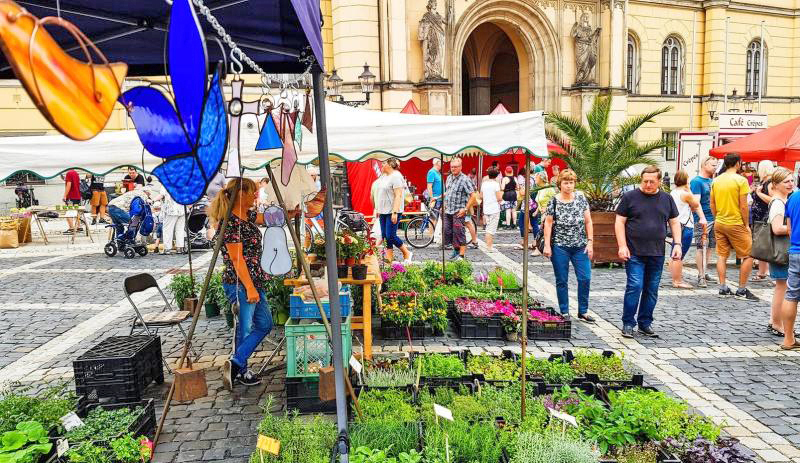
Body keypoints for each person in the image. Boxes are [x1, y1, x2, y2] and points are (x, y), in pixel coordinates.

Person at [210, 178, 273, 389]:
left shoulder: (247, 215)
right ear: (239, 194)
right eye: (252, 192)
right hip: (241, 283)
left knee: (265, 324)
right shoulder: (230, 224)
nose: (255, 195)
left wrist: (290, 213)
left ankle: (236, 363)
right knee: (245, 328)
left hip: (254, 281)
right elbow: (237, 260)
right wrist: (250, 288)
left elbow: (266, 218)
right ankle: (242, 371)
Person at [615, 165, 681, 338]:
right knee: (635, 286)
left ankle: (645, 323)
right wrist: (622, 245)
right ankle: (628, 323)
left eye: (652, 181)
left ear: (659, 181)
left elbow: (674, 222)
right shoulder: (630, 197)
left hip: (657, 252)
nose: (648, 184)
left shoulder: (667, 199)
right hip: (634, 251)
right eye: (645, 181)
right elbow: (619, 222)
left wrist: (677, 244)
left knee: (651, 289)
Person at [543, 169, 595, 322]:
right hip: (560, 246)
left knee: (585, 278)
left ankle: (583, 311)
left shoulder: (580, 198)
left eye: (571, 183)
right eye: (566, 183)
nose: (569, 186)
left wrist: (590, 241)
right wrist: (547, 245)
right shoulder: (554, 200)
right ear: (560, 184)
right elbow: (548, 223)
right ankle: (564, 310)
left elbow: (588, 221)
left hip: (580, 246)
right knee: (562, 280)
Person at [711, 153, 760, 301]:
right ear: (738, 163)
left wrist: (717, 217)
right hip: (736, 222)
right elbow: (743, 206)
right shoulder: (741, 180)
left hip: (720, 221)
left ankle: (723, 287)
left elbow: (712, 203)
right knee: (749, 255)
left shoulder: (717, 180)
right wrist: (746, 224)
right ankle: (742, 289)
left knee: (722, 255)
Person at [766, 168, 794, 340]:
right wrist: (795, 229)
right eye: (787, 182)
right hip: (780, 250)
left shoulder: (783, 199)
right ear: (776, 185)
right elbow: (777, 228)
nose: (791, 184)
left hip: (782, 249)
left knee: (782, 286)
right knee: (782, 287)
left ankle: (774, 321)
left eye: (792, 180)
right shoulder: (778, 203)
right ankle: (777, 323)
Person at [668, 170, 706, 289]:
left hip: (676, 224)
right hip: (685, 226)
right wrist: (689, 189)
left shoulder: (673, 192)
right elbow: (696, 204)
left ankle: (675, 277)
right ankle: (677, 280)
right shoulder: (686, 194)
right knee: (679, 255)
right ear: (686, 180)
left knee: (673, 254)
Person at [373, 158, 413, 264]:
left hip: (393, 210)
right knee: (385, 235)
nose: (381, 165)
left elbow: (398, 195)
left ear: (390, 165)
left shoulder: (396, 176)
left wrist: (395, 212)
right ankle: (389, 257)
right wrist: (377, 209)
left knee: (391, 235)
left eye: (384, 163)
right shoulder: (384, 176)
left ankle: (406, 252)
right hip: (383, 211)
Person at [690, 157, 718, 287]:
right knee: (701, 247)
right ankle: (701, 275)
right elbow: (696, 203)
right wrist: (701, 218)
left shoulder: (712, 181)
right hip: (703, 219)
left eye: (716, 165)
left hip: (714, 218)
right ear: (704, 164)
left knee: (710, 246)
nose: (715, 167)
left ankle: (704, 271)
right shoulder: (696, 181)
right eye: (713, 165)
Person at [781, 171, 800, 350]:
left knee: (791, 294)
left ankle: (788, 339)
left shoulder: (793, 198)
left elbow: (789, 228)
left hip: (795, 251)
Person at [443, 157, 476, 260]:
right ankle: (455, 251)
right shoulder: (449, 178)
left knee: (459, 232)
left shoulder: (465, 179)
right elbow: (448, 192)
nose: (453, 169)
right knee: (448, 232)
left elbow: (473, 196)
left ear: (461, 167)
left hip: (459, 211)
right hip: (448, 210)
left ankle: (461, 255)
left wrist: (465, 209)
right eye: (452, 167)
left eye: (456, 167)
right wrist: (442, 200)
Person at [750, 160, 776, 283]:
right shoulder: (764, 181)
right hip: (759, 217)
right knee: (761, 245)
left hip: (764, 217)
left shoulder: (770, 182)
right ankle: (763, 271)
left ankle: (763, 272)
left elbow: (772, 200)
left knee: (763, 245)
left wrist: (758, 193)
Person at [158, 184, 186, 254]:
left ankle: (167, 249)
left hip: (171, 210)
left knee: (167, 229)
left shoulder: (165, 183)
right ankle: (180, 248)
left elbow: (162, 195)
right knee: (180, 229)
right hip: (182, 208)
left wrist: (152, 200)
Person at [480, 167, 502, 250]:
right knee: (491, 230)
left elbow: (481, 196)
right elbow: (499, 198)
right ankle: (489, 247)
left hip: (486, 209)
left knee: (488, 228)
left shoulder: (484, 184)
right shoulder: (496, 184)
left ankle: (488, 245)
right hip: (494, 209)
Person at [62, 169, 82, 234]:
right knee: (76, 211)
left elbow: (69, 184)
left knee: (69, 212)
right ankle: (79, 226)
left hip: (71, 196)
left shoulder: (69, 173)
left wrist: (65, 195)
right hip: (77, 196)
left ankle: (71, 228)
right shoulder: (76, 173)